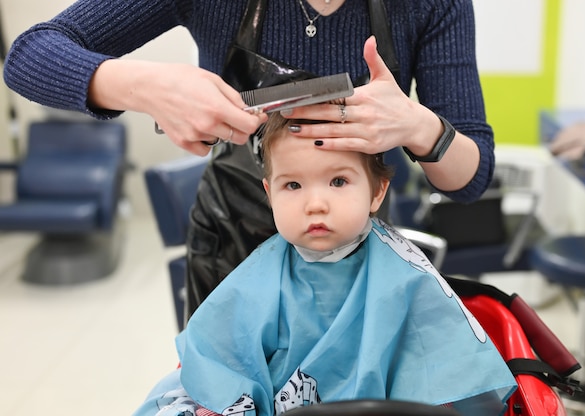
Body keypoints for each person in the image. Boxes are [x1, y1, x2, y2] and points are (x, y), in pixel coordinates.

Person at [3, 0, 496, 319]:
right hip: (231, 245)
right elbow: (28, 56)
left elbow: (469, 180)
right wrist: (148, 87)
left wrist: (420, 126)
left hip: (357, 252)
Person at [130, 113, 517, 416]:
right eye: (293, 186)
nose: (315, 203)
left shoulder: (403, 274)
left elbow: (447, 371)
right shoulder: (260, 274)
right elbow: (219, 360)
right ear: (269, 193)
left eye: (337, 181)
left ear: (377, 191)